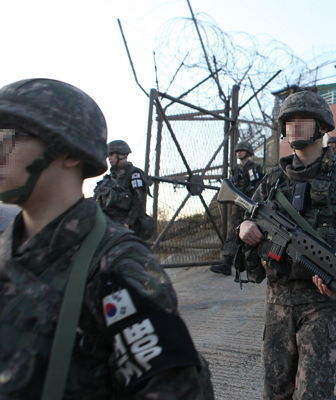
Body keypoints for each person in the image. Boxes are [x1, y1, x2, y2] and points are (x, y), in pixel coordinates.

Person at [0, 78, 213, 399]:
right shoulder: (9, 246)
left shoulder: (116, 267)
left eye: (9, 137)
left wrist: (125, 233)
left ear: (69, 150)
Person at [233, 90, 336, 399]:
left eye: (303, 121)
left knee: (313, 394)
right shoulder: (274, 178)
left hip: (323, 300)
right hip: (278, 301)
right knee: (275, 391)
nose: (295, 128)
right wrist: (244, 227)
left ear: (322, 127)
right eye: (289, 123)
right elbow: (248, 216)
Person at [210, 141, 263, 276]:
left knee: (252, 232)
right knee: (232, 233)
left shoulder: (254, 168)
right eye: (237, 151)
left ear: (248, 152)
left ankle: (253, 264)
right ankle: (226, 264)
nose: (239, 152)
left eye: (242, 150)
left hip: (250, 205)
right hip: (237, 205)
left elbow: (257, 186)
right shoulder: (235, 170)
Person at [93, 140, 153, 240]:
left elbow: (139, 199)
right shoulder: (108, 179)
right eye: (108, 155)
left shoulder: (134, 174)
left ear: (122, 155)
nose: (109, 158)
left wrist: (128, 223)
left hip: (125, 225)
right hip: (107, 224)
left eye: (112, 154)